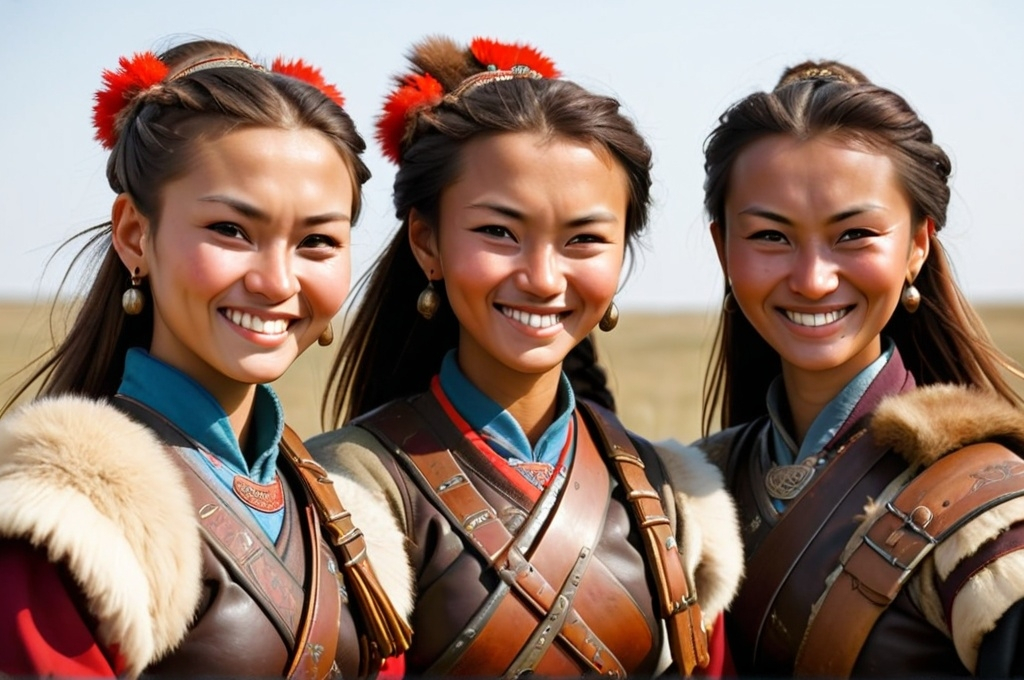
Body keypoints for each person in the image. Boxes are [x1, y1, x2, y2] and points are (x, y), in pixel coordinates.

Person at [306, 36, 743, 678]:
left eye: (584, 239)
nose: (542, 277)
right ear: (427, 242)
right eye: (499, 232)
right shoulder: (351, 490)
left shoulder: (673, 494)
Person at [0, 39, 412, 678]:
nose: (277, 281)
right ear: (136, 234)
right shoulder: (67, 518)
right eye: (231, 231)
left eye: (318, 241)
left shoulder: (350, 524)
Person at [696, 59, 1024, 677]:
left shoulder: (993, 512)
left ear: (918, 246)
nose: (813, 279)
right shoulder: (689, 486)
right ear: (724, 249)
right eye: (770, 236)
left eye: (853, 235)